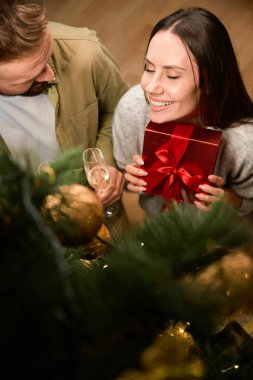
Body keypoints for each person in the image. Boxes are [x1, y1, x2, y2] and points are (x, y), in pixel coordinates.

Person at [113, 7, 253, 220]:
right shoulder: (132, 108)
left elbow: (249, 203)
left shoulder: (244, 142)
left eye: (172, 75)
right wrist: (128, 179)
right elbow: (123, 177)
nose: (150, 87)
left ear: (211, 81)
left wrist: (225, 199)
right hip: (157, 228)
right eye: (149, 68)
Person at [0, 0, 129, 231]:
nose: (50, 75)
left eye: (48, 55)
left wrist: (108, 162)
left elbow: (121, 110)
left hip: (106, 222)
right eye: (31, 76)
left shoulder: (85, 53)